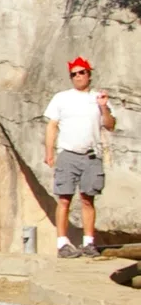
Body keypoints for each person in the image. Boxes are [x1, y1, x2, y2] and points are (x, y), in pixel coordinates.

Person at [45, 56, 117, 258]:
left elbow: (110, 125)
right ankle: (62, 243)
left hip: (91, 155)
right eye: (73, 74)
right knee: (64, 199)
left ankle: (89, 242)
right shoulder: (62, 98)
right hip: (68, 153)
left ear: (89, 74)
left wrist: (103, 106)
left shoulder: (98, 98)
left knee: (88, 199)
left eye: (81, 72)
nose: (78, 76)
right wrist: (49, 152)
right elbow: (52, 125)